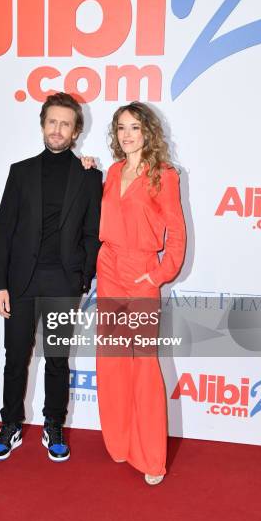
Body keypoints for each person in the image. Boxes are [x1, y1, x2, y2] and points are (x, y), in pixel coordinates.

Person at [0, 92, 103, 462]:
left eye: (65, 124)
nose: (57, 129)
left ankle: (54, 424)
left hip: (63, 283)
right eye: (51, 122)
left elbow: (91, 233)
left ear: (75, 132)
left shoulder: (88, 176)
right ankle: (11, 425)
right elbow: (3, 230)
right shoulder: (19, 172)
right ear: (42, 125)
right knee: (15, 357)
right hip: (20, 282)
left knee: (56, 358)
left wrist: (82, 281)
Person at [84, 101, 186, 485]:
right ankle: (120, 443)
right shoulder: (111, 171)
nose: (127, 135)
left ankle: (151, 458)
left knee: (143, 364)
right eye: (122, 128)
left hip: (141, 271)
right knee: (111, 361)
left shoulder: (165, 174)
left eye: (135, 128)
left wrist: (158, 274)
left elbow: (176, 234)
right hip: (108, 267)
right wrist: (85, 171)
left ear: (148, 133)